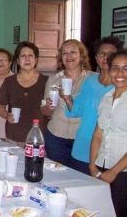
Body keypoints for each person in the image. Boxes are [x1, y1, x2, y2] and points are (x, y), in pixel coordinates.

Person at [63, 36, 124, 174]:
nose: (105, 57)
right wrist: (67, 98)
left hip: (107, 154)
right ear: (96, 58)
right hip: (82, 147)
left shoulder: (121, 87)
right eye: (102, 53)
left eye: (110, 54)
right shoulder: (89, 81)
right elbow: (76, 110)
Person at [41, 39, 93, 167]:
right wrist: (48, 107)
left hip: (82, 138)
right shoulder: (53, 79)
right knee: (57, 176)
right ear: (61, 58)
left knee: (81, 177)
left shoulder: (93, 79)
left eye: (73, 52)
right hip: (55, 136)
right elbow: (45, 111)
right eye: (64, 53)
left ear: (82, 56)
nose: (69, 56)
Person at [90, 50, 127, 217]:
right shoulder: (106, 97)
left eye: (126, 68)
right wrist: (92, 164)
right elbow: (98, 134)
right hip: (101, 167)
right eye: (115, 68)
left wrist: (114, 172)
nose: (120, 73)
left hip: (122, 172)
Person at [0, 41, 48, 144]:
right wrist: (7, 115)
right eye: (23, 56)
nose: (27, 59)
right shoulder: (9, 81)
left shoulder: (46, 81)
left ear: (36, 60)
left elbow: (50, 109)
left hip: (38, 137)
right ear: (18, 61)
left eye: (30, 55)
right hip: (14, 135)